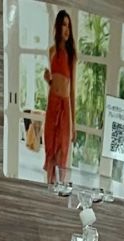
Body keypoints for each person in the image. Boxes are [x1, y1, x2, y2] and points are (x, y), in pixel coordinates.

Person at [44, 9, 77, 186]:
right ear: (58, 26)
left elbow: (72, 90)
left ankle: (58, 187)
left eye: (69, 26)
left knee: (61, 151)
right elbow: (55, 83)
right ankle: (48, 185)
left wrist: (74, 124)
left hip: (65, 107)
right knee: (50, 148)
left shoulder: (71, 55)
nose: (66, 30)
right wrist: (48, 80)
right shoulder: (51, 51)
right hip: (52, 104)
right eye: (64, 25)